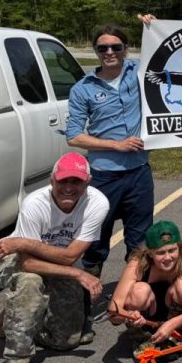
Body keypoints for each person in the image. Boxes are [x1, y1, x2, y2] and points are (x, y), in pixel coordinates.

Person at [0, 152, 109, 363]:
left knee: (67, 341)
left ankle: (13, 320)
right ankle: (17, 359)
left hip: (61, 262)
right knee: (30, 283)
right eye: (63, 180)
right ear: (52, 180)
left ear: (88, 182)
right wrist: (78, 273)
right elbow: (29, 264)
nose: (69, 187)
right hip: (19, 260)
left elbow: (70, 257)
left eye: (77, 181)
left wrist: (26, 243)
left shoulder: (98, 203)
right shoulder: (34, 203)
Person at [66, 23, 154, 278]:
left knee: (140, 244)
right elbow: (74, 136)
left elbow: (163, 56)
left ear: (126, 49)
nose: (109, 52)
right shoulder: (83, 88)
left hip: (139, 173)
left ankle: (135, 303)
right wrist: (117, 145)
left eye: (115, 46)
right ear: (95, 50)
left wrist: (153, 26)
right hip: (104, 176)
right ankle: (85, 305)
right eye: (102, 47)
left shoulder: (138, 72)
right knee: (94, 242)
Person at [107, 220, 182, 356]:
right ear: (150, 253)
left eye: (172, 250)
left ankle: (176, 332)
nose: (168, 257)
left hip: (173, 318)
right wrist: (129, 316)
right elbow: (113, 311)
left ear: (179, 247)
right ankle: (141, 336)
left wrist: (174, 323)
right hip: (147, 315)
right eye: (161, 253)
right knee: (140, 290)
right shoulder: (137, 264)